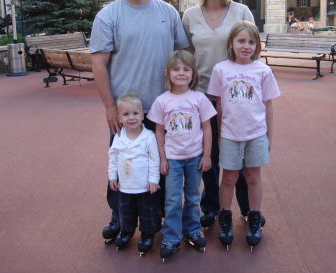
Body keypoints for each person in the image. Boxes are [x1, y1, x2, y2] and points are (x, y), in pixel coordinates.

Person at [89, 0, 189, 245]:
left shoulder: (168, 12)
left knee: (163, 167)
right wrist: (110, 107)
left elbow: (182, 56)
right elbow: (99, 65)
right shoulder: (108, 16)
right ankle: (119, 217)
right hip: (127, 112)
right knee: (124, 165)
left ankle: (162, 216)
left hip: (163, 110)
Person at [182, 0, 254, 229]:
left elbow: (252, 51)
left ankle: (247, 207)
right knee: (209, 157)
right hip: (203, 98)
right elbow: (186, 56)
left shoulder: (242, 11)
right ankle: (211, 207)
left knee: (240, 154)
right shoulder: (190, 15)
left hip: (236, 100)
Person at [207, 20, 281, 250]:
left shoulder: (263, 70)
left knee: (252, 178)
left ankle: (254, 217)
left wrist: (269, 135)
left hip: (256, 134)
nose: (246, 46)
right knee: (228, 178)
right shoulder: (221, 69)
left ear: (257, 45)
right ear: (231, 43)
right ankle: (225, 216)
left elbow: (268, 105)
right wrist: (219, 135)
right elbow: (219, 105)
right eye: (241, 41)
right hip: (230, 134)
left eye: (251, 42)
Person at [147, 50, 216, 261]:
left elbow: (207, 128)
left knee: (193, 197)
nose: (181, 73)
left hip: (195, 157)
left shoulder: (199, 98)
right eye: (176, 69)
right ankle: (171, 236)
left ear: (193, 73)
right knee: (172, 199)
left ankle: (193, 229)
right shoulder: (162, 101)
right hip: (173, 159)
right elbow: (159, 130)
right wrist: (162, 158)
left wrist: (207, 155)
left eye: (186, 69)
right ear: (167, 73)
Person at [108, 93, 161, 254]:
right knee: (126, 212)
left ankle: (147, 234)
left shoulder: (149, 137)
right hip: (125, 186)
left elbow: (154, 159)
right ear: (119, 118)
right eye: (126, 114)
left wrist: (153, 180)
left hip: (145, 186)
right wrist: (112, 177)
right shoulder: (118, 137)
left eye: (135, 113)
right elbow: (113, 158)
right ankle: (127, 231)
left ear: (142, 116)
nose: (131, 118)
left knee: (148, 212)